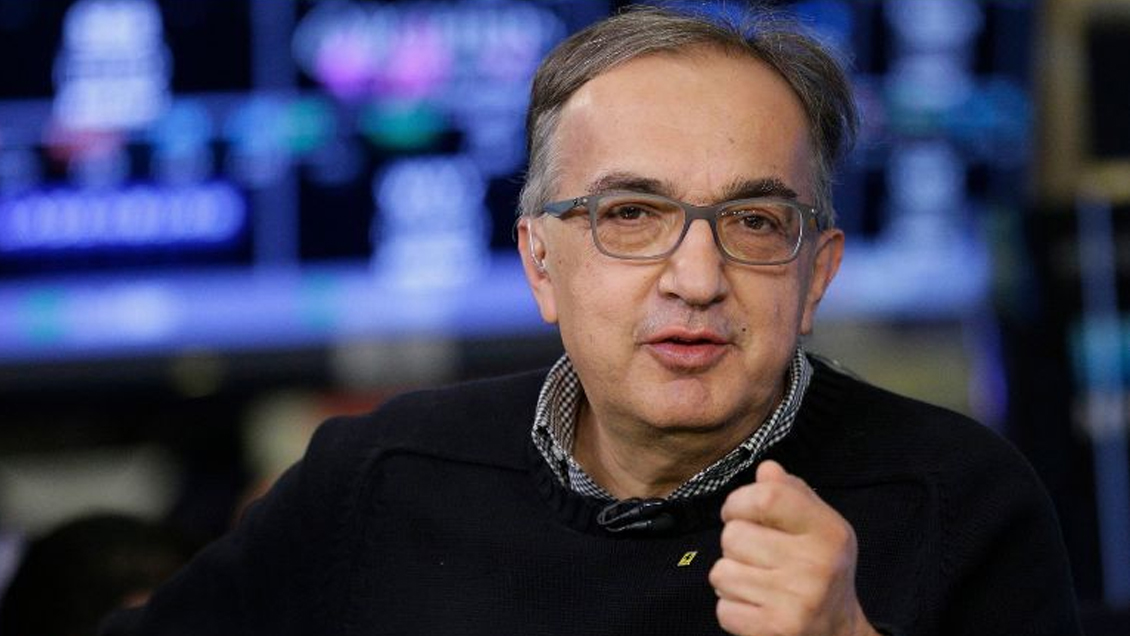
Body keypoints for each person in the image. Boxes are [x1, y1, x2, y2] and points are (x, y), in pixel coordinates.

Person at [101, 6, 1081, 636]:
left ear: (815, 272)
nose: (695, 279)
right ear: (541, 264)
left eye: (752, 221)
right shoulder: (380, 475)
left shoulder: (959, 501)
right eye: (631, 215)